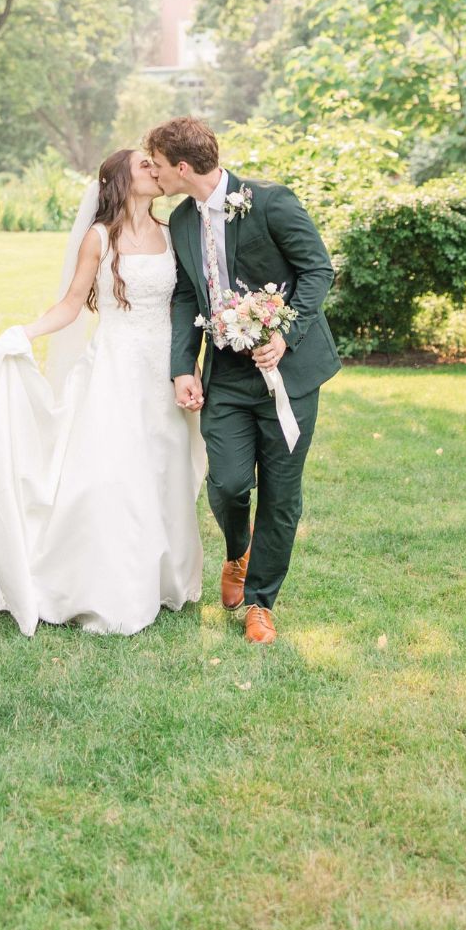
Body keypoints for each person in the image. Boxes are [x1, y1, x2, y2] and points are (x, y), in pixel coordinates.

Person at [0, 148, 205, 637]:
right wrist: (23, 333)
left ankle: (163, 581)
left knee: (167, 468)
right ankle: (107, 588)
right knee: (113, 477)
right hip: (115, 369)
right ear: (119, 181)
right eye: (144, 166)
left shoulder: (172, 231)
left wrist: (190, 364)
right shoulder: (99, 238)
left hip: (165, 368)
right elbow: (72, 304)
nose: (155, 171)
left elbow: (185, 301)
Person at [144, 116, 339, 646]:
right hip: (225, 375)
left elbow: (318, 270)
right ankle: (238, 552)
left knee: (282, 493)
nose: (154, 175)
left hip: (289, 373)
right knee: (228, 484)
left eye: (158, 166)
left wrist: (286, 333)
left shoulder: (271, 201)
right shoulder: (182, 221)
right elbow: (187, 295)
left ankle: (260, 603)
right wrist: (183, 366)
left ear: (182, 167)